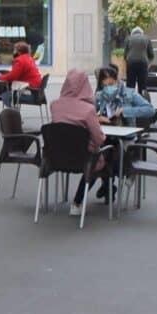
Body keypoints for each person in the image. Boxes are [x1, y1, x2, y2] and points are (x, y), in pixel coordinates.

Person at [50, 69, 107, 217]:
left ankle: (106, 189)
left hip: (57, 157)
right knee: (104, 157)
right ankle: (78, 201)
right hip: (83, 158)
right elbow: (99, 139)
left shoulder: (54, 106)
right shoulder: (88, 110)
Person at [0, 41, 43, 107]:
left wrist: (0, 77)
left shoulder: (20, 60)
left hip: (29, 89)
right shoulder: (29, 58)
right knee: (8, 89)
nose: (13, 51)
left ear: (18, 51)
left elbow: (12, 77)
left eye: (14, 50)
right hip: (36, 91)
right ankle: (13, 111)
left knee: (5, 95)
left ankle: (11, 113)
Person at [123, 26, 154, 96]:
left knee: (130, 85)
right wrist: (148, 61)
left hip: (131, 63)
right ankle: (142, 100)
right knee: (142, 85)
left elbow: (125, 53)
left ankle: (130, 102)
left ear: (132, 33)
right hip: (143, 63)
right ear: (141, 33)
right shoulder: (146, 38)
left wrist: (126, 60)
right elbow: (151, 54)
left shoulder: (128, 38)